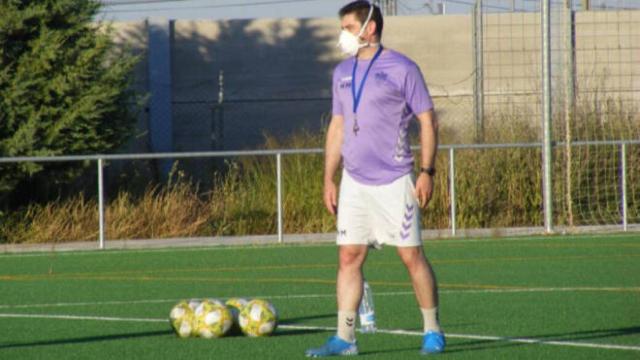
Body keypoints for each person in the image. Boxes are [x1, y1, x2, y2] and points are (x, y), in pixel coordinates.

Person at [305, 1, 445, 357]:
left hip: (395, 180)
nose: (343, 34)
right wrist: (328, 178)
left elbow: (427, 121)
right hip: (354, 181)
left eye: (348, 27)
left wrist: (427, 172)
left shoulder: (402, 68)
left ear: (369, 28)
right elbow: (337, 127)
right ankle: (345, 338)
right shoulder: (341, 73)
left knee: (411, 256)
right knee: (349, 258)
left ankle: (432, 330)